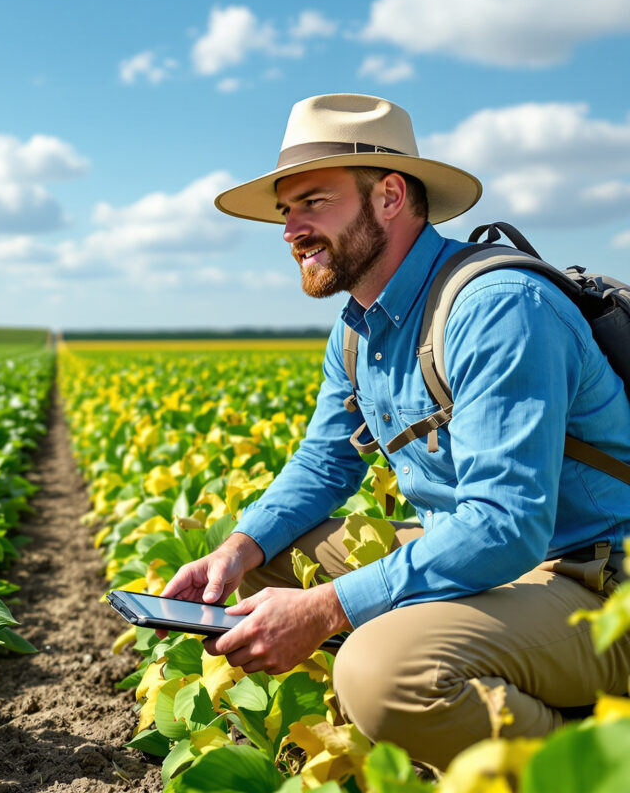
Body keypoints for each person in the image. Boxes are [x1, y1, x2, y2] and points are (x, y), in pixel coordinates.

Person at [159, 93, 630, 769]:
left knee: (381, 673)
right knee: (270, 560)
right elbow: (324, 466)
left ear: (388, 197)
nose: (291, 230)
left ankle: (592, 762)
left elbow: (506, 526)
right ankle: (460, 717)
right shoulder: (357, 328)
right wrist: (235, 549)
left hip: (598, 582)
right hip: (503, 564)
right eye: (285, 211)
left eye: (312, 203)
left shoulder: (498, 310)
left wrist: (327, 610)